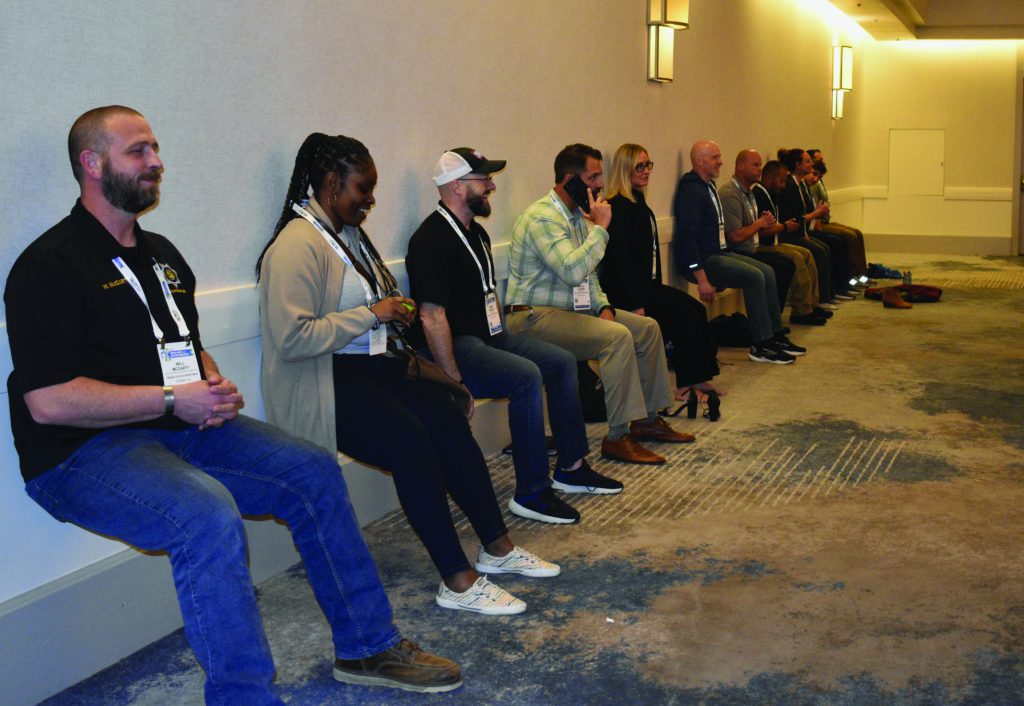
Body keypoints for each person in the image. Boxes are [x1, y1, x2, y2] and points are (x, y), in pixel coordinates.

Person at [5, 106, 460, 704]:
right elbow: (48, 402)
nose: (156, 162)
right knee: (207, 513)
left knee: (312, 470)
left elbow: (186, 347)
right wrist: (174, 397)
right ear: (92, 164)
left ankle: (367, 646)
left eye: (155, 148)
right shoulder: (47, 266)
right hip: (81, 454)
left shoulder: (163, 256)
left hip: (176, 425)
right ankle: (244, 695)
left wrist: (211, 383)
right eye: (138, 151)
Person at [257, 133, 558, 618]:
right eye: (363, 188)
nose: (371, 199)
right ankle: (457, 581)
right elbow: (293, 339)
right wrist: (374, 313)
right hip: (326, 378)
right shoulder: (296, 245)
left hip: (375, 364)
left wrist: (397, 313)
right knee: (410, 442)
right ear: (332, 184)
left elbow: (374, 306)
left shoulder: (348, 235)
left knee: (446, 417)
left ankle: (496, 548)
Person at [406, 148, 623, 526]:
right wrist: (453, 381)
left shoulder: (476, 234)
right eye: (483, 180)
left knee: (557, 362)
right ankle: (531, 493)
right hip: (457, 346)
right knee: (526, 376)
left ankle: (571, 466)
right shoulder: (431, 239)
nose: (491, 185)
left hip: (489, 335)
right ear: (456, 187)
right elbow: (431, 315)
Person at [504, 143, 693, 466]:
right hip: (532, 318)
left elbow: (588, 276)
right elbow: (572, 269)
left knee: (646, 328)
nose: (599, 185)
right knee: (617, 337)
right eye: (592, 177)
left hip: (570, 312)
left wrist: (603, 307)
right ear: (569, 180)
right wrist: (601, 228)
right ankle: (617, 437)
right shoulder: (543, 218)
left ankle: (647, 419)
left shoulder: (577, 216)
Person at [599, 143, 723, 420]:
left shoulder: (638, 203)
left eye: (648, 165)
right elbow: (619, 262)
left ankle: (697, 378)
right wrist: (634, 304)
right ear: (625, 170)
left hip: (647, 286)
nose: (645, 172)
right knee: (684, 315)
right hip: (628, 292)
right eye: (639, 167)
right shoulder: (619, 207)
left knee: (695, 309)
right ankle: (685, 384)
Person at [671, 140, 806, 365]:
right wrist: (702, 278)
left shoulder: (708, 186)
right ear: (699, 161)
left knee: (767, 271)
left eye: (719, 156)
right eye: (715, 157)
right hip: (704, 261)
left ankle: (774, 336)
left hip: (718, 254)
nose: (720, 161)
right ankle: (761, 345)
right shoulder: (692, 190)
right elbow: (687, 237)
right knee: (754, 277)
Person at [719, 150, 826, 327]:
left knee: (804, 255)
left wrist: (766, 223)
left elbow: (760, 226)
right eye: (755, 165)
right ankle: (771, 326)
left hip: (753, 247)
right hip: (744, 250)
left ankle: (790, 315)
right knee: (784, 264)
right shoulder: (732, 193)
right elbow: (736, 236)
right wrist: (768, 224)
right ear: (739, 166)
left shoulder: (750, 193)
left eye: (760, 165)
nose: (759, 169)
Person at [753, 160, 834, 323]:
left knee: (807, 254)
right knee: (796, 257)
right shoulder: (759, 194)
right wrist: (784, 227)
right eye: (782, 180)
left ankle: (812, 303)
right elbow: (762, 231)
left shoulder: (771, 194)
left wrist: (784, 226)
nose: (784, 185)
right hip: (763, 245)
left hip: (775, 240)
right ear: (769, 178)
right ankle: (801, 311)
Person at [778, 148, 855, 301]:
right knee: (821, 250)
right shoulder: (790, 186)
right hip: (790, 235)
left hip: (802, 232)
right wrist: (817, 213)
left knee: (831, 245)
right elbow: (795, 219)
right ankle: (823, 298)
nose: (811, 165)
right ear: (797, 165)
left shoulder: (800, 185)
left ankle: (835, 291)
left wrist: (818, 211)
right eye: (807, 161)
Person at [807, 156, 869, 282]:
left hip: (824, 220)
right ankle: (851, 278)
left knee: (857, 233)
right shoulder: (807, 187)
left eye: (818, 177)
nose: (815, 179)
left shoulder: (816, 184)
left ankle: (862, 275)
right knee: (849, 236)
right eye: (814, 174)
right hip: (817, 224)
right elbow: (813, 215)